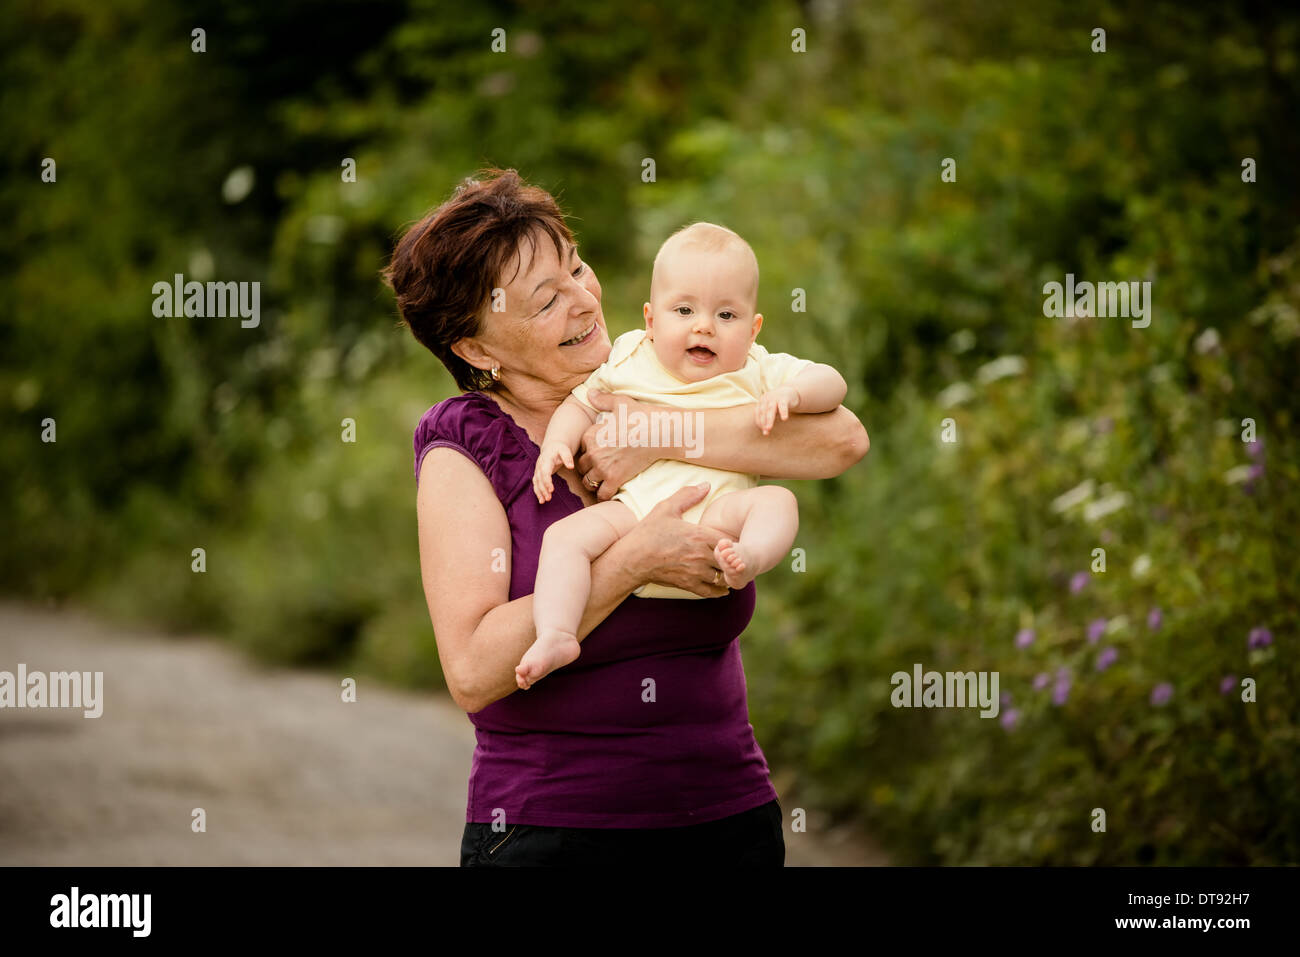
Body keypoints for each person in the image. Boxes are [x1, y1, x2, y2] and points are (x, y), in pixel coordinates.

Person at [385, 168, 869, 866]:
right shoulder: (467, 445)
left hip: (727, 815)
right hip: (552, 831)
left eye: (578, 268)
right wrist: (634, 560)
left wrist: (659, 434)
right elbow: (473, 668)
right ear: (477, 348)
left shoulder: (664, 371)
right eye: (546, 300)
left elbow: (841, 438)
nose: (583, 300)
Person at [518, 222, 847, 690]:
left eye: (727, 316)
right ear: (651, 320)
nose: (704, 326)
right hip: (634, 517)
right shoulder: (632, 356)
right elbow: (581, 403)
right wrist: (556, 444)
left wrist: (794, 393)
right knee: (564, 539)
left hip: (719, 517)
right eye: (685, 309)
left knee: (778, 504)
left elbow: (832, 382)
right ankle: (556, 632)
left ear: (754, 328)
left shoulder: (757, 368)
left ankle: (748, 559)